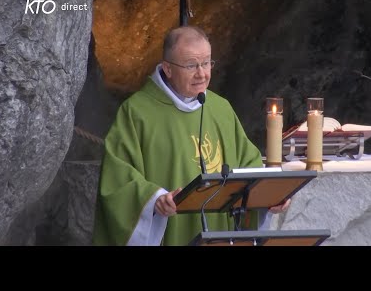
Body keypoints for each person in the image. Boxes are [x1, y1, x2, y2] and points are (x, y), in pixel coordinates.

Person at [92, 26, 290, 246]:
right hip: (171, 233)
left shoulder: (220, 108)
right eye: (191, 65)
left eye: (206, 63)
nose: (202, 73)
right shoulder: (136, 113)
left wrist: (270, 196)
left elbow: (248, 165)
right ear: (167, 68)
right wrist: (154, 199)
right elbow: (118, 180)